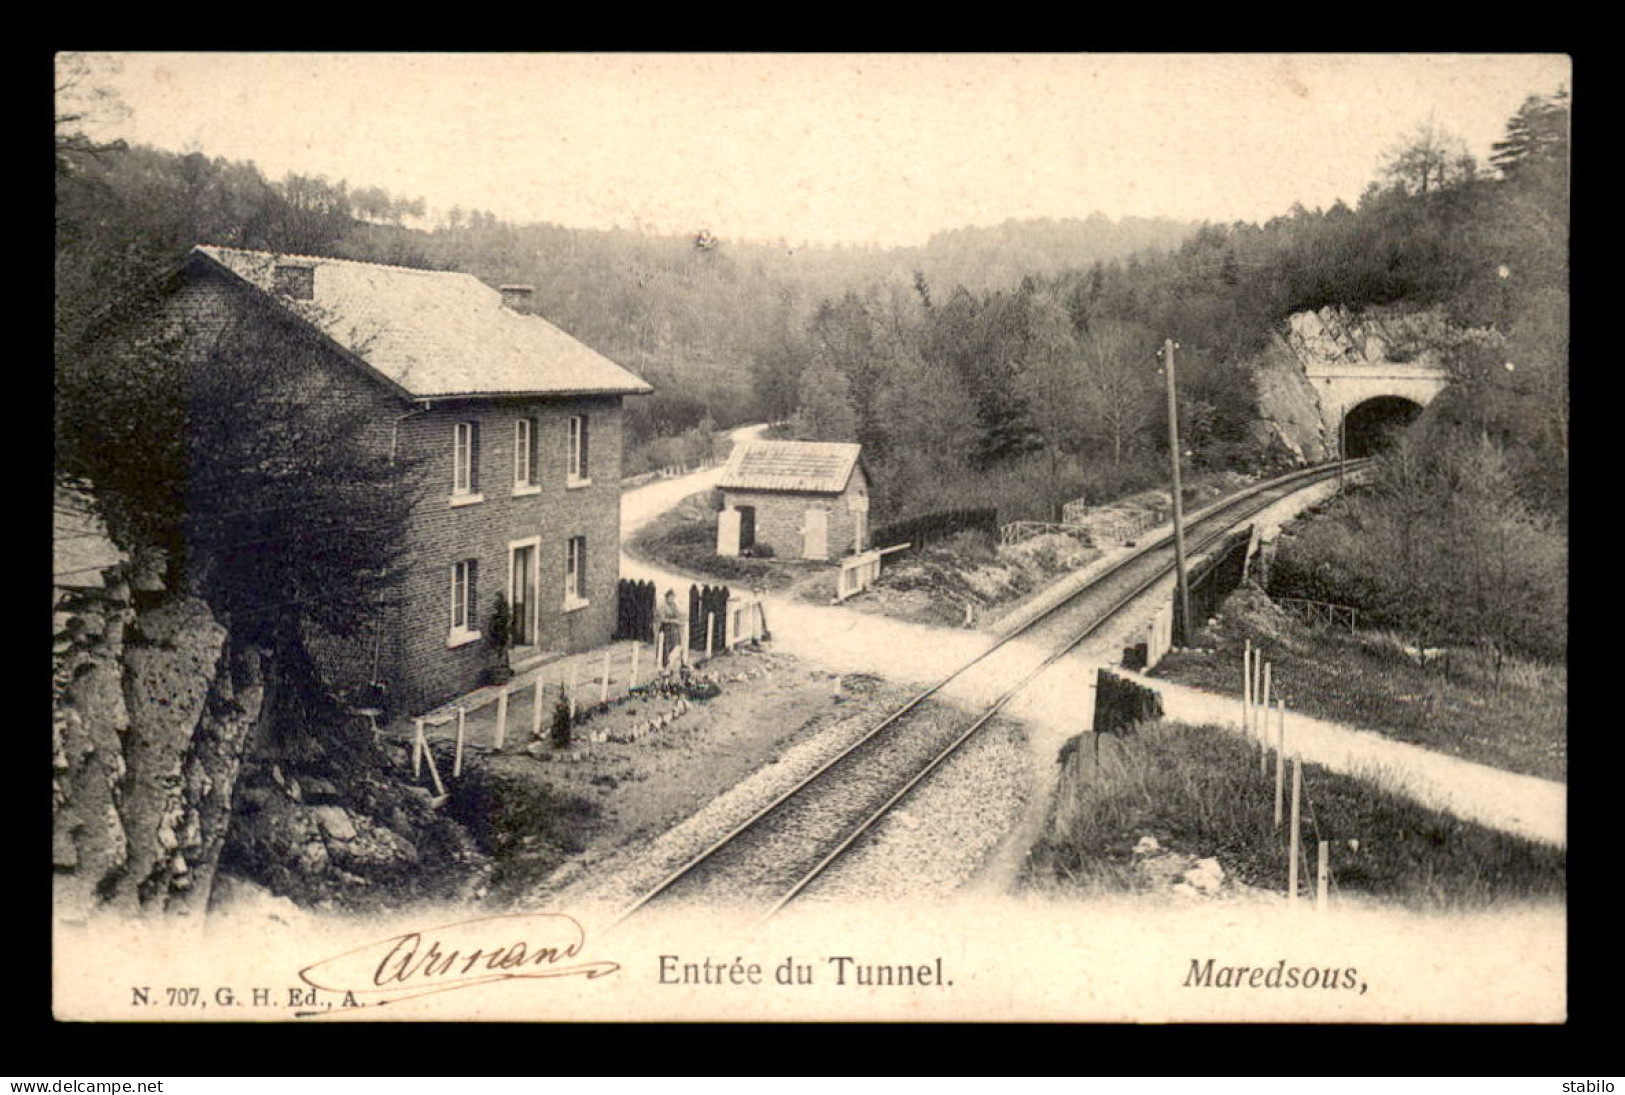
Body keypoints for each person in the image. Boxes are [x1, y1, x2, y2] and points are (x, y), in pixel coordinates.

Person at [657, 589, 684, 668]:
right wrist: (673, 621)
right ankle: (665, 665)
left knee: (676, 647)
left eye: (673, 597)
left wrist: (679, 619)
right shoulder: (663, 607)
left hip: (674, 631)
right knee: (666, 648)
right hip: (666, 630)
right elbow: (662, 619)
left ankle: (674, 664)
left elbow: (677, 614)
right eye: (670, 597)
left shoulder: (674, 606)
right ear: (667, 598)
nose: (672, 599)